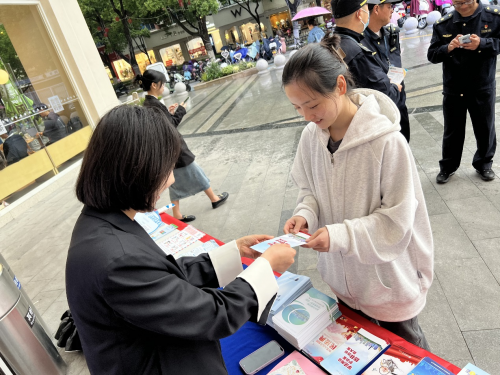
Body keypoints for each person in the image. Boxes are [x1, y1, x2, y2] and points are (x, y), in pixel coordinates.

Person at [66, 105, 296, 375]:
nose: (171, 179)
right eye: (166, 168)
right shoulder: (116, 259)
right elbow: (213, 315)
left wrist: (234, 252)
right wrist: (265, 269)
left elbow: (160, 281)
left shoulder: (100, 223)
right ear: (134, 171)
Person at [282, 35, 433, 350]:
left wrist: (339, 236)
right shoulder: (311, 137)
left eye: (312, 104)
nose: (307, 116)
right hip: (343, 282)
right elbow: (309, 188)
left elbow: (396, 219)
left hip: (389, 283)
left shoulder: (387, 143)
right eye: (297, 107)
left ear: (339, 86)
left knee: (408, 352)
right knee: (361, 350)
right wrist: (304, 214)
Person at [137, 70, 229, 223]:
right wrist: (181, 110)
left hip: (168, 151)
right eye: (162, 84)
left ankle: (178, 214)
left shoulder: (149, 104)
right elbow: (170, 126)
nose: (164, 87)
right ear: (154, 85)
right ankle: (214, 198)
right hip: (176, 149)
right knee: (196, 172)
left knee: (176, 183)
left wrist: (170, 112)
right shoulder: (154, 105)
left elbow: (164, 124)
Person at [428, 0, 498, 183]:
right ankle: (448, 167)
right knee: (452, 130)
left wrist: (482, 44)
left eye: (465, 2)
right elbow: (432, 54)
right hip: (454, 88)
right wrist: (448, 48)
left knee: (485, 128)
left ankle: (484, 164)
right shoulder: (444, 23)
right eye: (457, 3)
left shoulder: (493, 16)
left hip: (482, 85)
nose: (461, 7)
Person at [330, 0, 409, 142]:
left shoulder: (333, 43)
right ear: (360, 14)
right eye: (367, 9)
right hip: (375, 130)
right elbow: (384, 97)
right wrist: (395, 89)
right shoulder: (357, 51)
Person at [363, 0, 410, 143]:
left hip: (399, 103)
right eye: (389, 7)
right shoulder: (360, 42)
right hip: (381, 112)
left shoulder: (391, 33)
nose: (392, 11)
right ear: (376, 9)